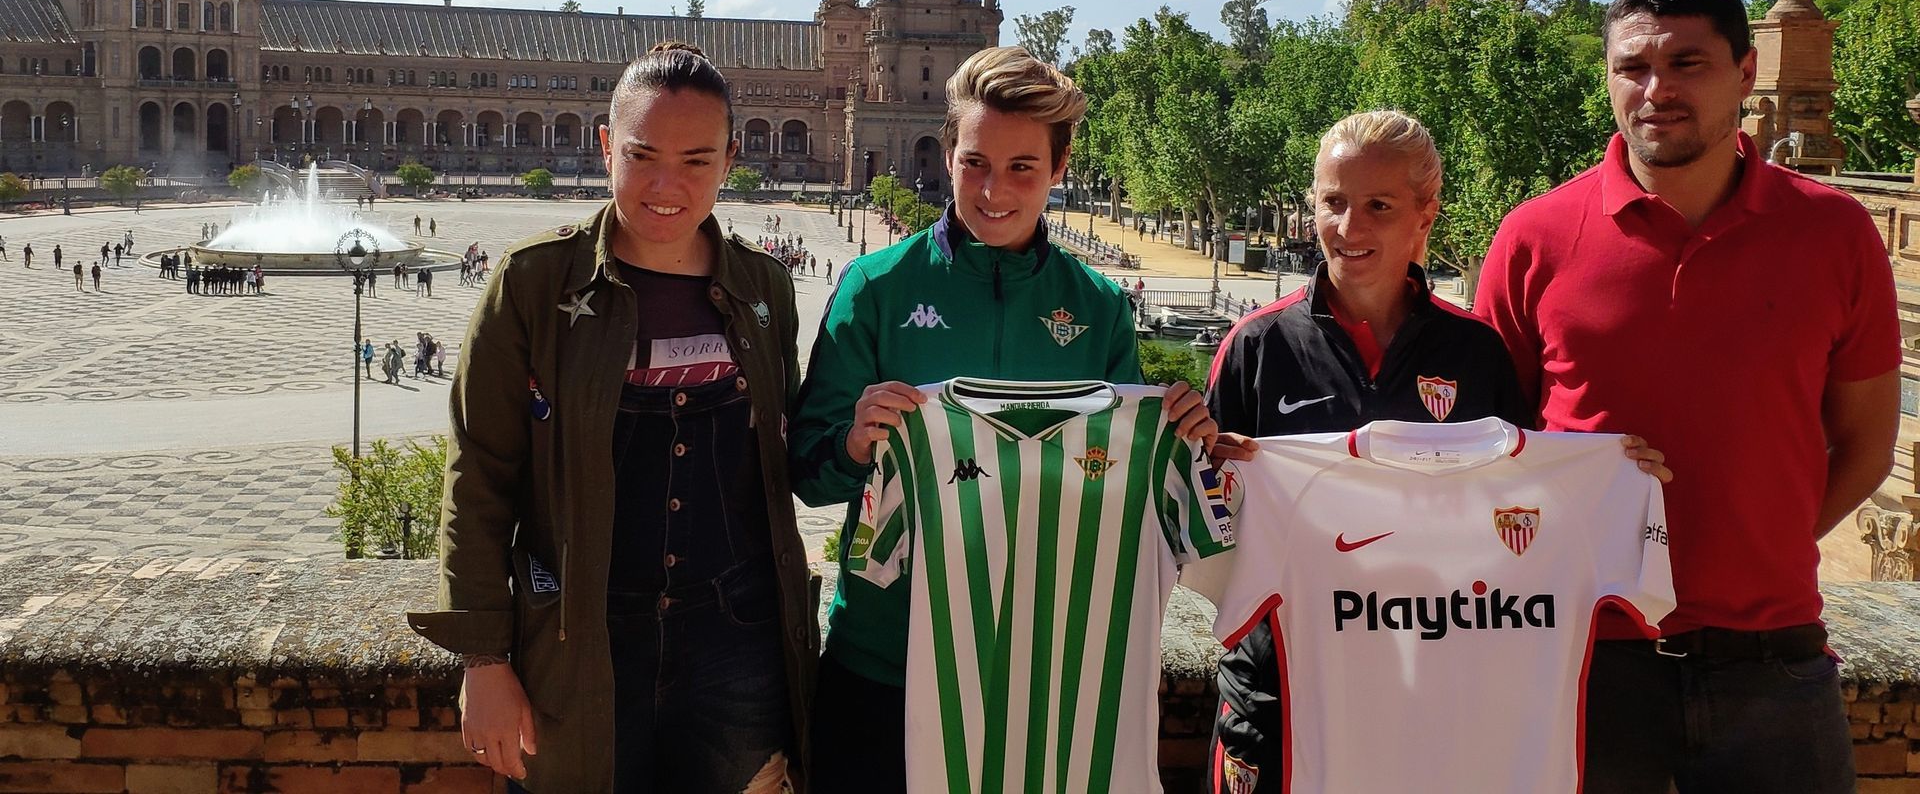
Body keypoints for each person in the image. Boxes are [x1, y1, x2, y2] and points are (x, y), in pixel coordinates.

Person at [1475, 0, 1900, 793]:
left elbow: (1867, 442)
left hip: (1774, 666)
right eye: (1632, 67)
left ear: (1746, 74)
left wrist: (1764, 541)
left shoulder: (1834, 233)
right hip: (1583, 659)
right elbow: (1486, 448)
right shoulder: (1534, 237)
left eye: (1687, 64)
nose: (1656, 90)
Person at [790, 45, 1223, 794]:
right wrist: (854, 443)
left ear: (1059, 170)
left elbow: (1113, 480)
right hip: (884, 661)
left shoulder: (1095, 305)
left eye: (1022, 167)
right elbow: (807, 473)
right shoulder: (875, 288)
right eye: (974, 163)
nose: (993, 189)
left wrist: (1183, 436)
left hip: (1043, 671)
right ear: (948, 154)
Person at [1201, 110, 1669, 790]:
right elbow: (1204, 531)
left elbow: (1522, 512)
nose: (1349, 227)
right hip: (1280, 700)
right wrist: (1210, 476)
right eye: (1332, 202)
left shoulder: (1475, 352)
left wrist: (1614, 483)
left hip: (1433, 699)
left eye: (1378, 206)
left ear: (1426, 215)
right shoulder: (1256, 346)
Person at [409, 42, 815, 794]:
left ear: (731, 158)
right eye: (642, 155)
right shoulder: (534, 282)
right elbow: (480, 474)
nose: (667, 185)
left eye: (697, 160)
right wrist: (484, 659)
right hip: (579, 640)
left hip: (737, 640)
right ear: (605, 147)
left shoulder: (764, 288)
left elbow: (781, 455)